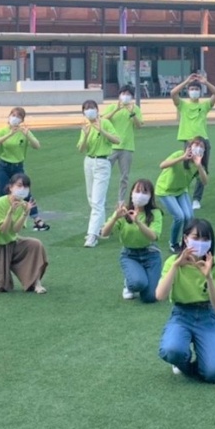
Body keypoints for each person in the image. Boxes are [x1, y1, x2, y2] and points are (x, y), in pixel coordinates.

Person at [155, 219, 215, 383]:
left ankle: (204, 360)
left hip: (207, 316)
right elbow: (160, 295)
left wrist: (208, 277)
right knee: (171, 350)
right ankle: (182, 358)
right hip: (182, 314)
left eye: (205, 239)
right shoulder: (173, 262)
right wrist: (176, 266)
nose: (200, 243)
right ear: (185, 238)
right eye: (196, 238)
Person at [0, 173, 49, 294]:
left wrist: (25, 213)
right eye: (19, 185)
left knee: (35, 245)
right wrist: (10, 213)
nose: (22, 189)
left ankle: (36, 283)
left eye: (26, 187)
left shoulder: (24, 205)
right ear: (10, 187)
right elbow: (3, 229)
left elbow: (15, 230)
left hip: (10, 242)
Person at [100, 178, 163, 303]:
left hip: (151, 255)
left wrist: (138, 222)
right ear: (131, 193)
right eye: (137, 191)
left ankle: (148, 278)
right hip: (130, 255)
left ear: (150, 196)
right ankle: (129, 284)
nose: (140, 195)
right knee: (138, 283)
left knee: (150, 297)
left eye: (145, 192)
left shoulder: (155, 213)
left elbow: (153, 237)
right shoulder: (123, 212)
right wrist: (115, 218)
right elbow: (104, 233)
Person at [0, 107, 49, 232]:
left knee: (24, 192)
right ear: (9, 116)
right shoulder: (2, 130)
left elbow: (37, 146)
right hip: (3, 165)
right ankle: (5, 220)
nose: (15, 118)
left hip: (17, 166)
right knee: (3, 192)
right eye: (13, 115)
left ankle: (36, 219)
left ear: (22, 120)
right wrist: (9, 134)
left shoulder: (24, 132)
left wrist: (27, 135)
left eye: (19, 117)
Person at [169, 73, 215, 210]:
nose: (194, 91)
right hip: (188, 141)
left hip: (203, 141)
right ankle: (182, 193)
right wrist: (186, 81)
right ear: (188, 91)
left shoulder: (204, 106)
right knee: (186, 169)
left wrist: (205, 82)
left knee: (201, 169)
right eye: (192, 89)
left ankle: (197, 199)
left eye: (196, 89)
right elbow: (173, 93)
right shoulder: (183, 105)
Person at [77, 99, 121, 248]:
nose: (89, 110)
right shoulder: (85, 127)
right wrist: (85, 134)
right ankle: (102, 228)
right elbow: (81, 149)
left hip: (102, 162)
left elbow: (117, 140)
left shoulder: (105, 123)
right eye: (86, 108)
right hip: (89, 161)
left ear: (97, 110)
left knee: (97, 201)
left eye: (92, 107)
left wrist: (102, 130)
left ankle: (92, 235)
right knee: (91, 198)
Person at [155, 138, 210, 252]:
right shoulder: (179, 154)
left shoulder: (198, 164)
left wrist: (199, 166)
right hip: (165, 189)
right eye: (196, 144)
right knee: (179, 217)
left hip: (180, 190)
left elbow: (205, 182)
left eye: (201, 146)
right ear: (190, 146)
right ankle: (173, 243)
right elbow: (162, 165)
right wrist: (182, 158)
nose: (198, 148)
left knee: (189, 216)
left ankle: (185, 241)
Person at [103, 85, 144, 205]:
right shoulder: (111, 107)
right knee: (104, 174)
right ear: (119, 95)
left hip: (127, 147)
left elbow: (139, 126)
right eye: (123, 93)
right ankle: (102, 198)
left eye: (128, 94)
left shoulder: (135, 108)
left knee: (124, 176)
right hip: (111, 146)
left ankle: (121, 200)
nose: (126, 96)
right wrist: (116, 110)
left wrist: (132, 114)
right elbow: (103, 120)